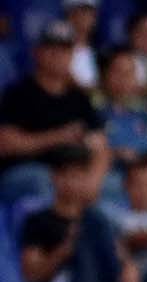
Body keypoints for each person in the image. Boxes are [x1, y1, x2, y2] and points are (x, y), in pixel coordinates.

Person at [0, 21, 107, 204]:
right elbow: (6, 144)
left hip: (74, 172)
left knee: (116, 184)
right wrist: (59, 136)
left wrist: (94, 180)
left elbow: (101, 146)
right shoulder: (18, 94)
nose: (58, 55)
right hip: (28, 171)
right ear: (37, 52)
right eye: (51, 48)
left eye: (64, 50)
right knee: (45, 182)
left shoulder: (79, 98)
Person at [18, 144, 135, 282]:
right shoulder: (38, 221)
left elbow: (119, 255)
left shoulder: (97, 220)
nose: (72, 183)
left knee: (97, 222)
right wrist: (65, 250)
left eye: (78, 176)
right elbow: (31, 276)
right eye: (66, 176)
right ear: (54, 177)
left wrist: (129, 268)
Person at [98, 45, 147, 169]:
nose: (124, 79)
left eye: (129, 73)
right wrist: (115, 154)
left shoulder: (146, 113)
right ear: (104, 75)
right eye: (118, 72)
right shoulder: (93, 111)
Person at [64, 0, 101, 91]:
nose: (85, 18)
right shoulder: (59, 49)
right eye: (81, 12)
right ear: (70, 15)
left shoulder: (100, 51)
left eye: (90, 13)